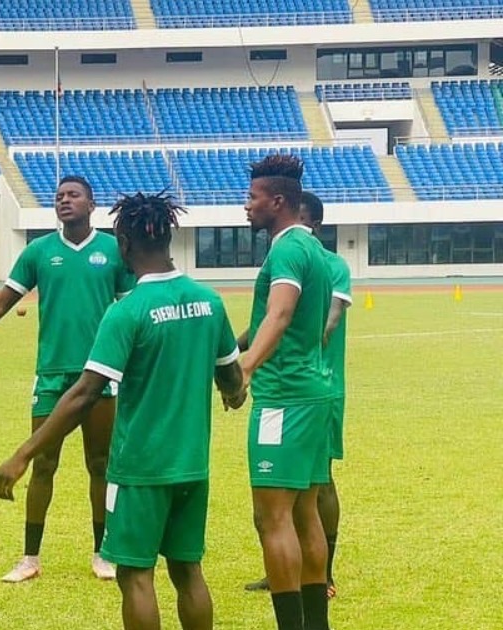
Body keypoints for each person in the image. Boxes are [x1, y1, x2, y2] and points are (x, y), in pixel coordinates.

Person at [0, 191, 246, 629]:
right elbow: (233, 383)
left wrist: (24, 454)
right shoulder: (210, 302)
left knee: (136, 576)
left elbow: (84, 393)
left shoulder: (127, 312)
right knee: (188, 573)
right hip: (192, 466)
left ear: (124, 243)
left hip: (140, 470)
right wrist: (234, 392)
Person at [0, 175, 132, 582]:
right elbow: (3, 303)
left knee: (100, 464)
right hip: (52, 375)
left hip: (102, 374)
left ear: (92, 205)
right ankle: (30, 558)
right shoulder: (39, 251)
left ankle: (103, 552)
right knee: (42, 463)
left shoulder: (113, 251)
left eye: (73, 195)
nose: (64, 201)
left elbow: (130, 311)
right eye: (59, 196)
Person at [239, 155, 335, 630]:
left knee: (271, 518)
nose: (246, 206)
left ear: (278, 201)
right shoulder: (312, 247)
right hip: (314, 394)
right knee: (304, 514)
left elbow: (279, 315)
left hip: (284, 397)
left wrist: (246, 369)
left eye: (252, 197)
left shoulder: (286, 251)